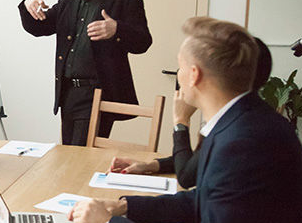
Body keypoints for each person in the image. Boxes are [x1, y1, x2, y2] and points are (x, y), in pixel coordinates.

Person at [69, 17, 302, 223]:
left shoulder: (244, 141)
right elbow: (203, 198)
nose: (178, 75)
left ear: (194, 75)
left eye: (180, 66)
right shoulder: (241, 120)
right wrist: (123, 207)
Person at [18, 0, 152, 145]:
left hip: (98, 95)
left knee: (81, 156)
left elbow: (143, 42)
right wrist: (27, 2)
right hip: (68, 94)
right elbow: (38, 28)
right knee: (70, 154)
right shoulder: (67, 4)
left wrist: (117, 29)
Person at [110, 37, 272, 188]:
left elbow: (187, 177)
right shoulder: (240, 113)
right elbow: (199, 162)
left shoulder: (240, 130)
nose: (180, 74)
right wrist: (150, 166)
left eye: (183, 66)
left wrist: (181, 121)